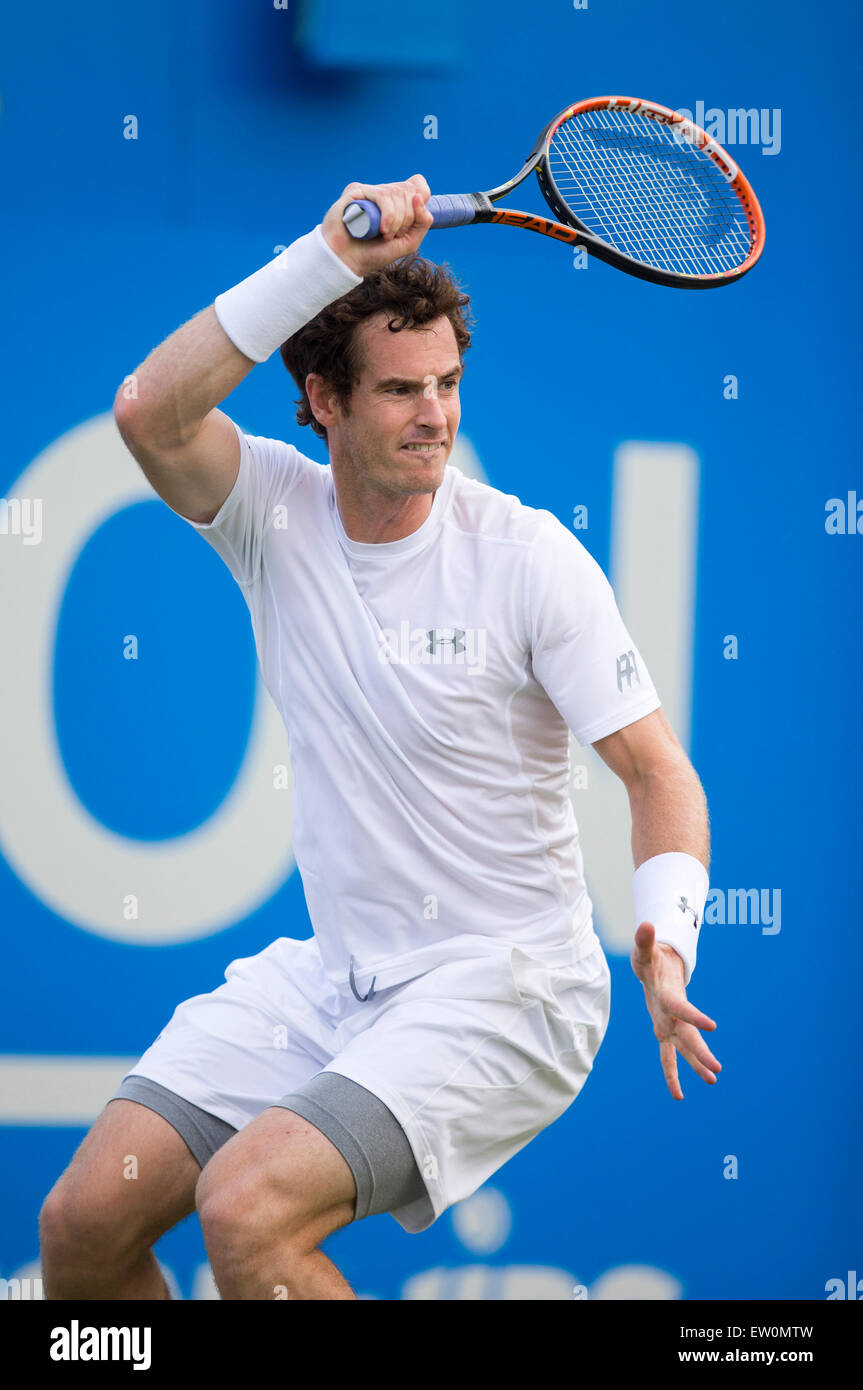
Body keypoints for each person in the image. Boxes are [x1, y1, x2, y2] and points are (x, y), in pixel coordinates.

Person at [39, 174, 720, 1301]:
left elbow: (655, 770)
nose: (436, 415)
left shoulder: (527, 556)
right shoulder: (272, 511)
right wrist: (324, 257)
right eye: (401, 390)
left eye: (449, 384)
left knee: (246, 1209)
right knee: (86, 1223)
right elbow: (148, 411)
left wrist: (666, 934)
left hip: (511, 990)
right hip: (340, 983)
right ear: (322, 398)